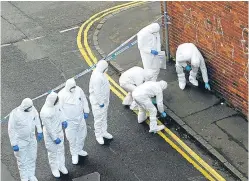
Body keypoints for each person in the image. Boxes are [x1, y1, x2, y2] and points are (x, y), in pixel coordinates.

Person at [8, 98, 43, 181]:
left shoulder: (32, 109)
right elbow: (11, 129)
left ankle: (31, 175)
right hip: (20, 141)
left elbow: (36, 118)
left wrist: (39, 130)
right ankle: (24, 177)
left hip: (31, 138)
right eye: (29, 107)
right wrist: (14, 143)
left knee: (32, 157)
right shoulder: (15, 114)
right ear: (24, 107)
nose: (31, 108)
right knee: (22, 161)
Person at [58, 78, 89, 165]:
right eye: (72, 87)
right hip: (70, 121)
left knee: (83, 135)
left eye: (74, 86)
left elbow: (84, 100)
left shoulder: (78, 90)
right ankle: (74, 154)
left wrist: (86, 110)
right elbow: (59, 109)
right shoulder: (61, 95)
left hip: (80, 118)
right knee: (72, 139)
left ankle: (79, 149)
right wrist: (63, 120)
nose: (73, 89)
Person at [40, 92, 68, 178]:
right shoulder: (44, 112)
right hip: (50, 136)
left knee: (61, 150)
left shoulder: (56, 105)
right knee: (53, 153)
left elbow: (60, 112)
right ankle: (54, 168)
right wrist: (54, 138)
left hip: (59, 130)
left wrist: (64, 120)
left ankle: (61, 166)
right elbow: (49, 128)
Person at [89, 60, 112, 145]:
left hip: (104, 100)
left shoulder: (100, 73)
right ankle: (98, 135)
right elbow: (97, 92)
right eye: (107, 68)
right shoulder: (97, 77)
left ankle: (104, 132)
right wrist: (101, 102)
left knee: (104, 117)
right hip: (98, 103)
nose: (107, 69)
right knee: (98, 119)